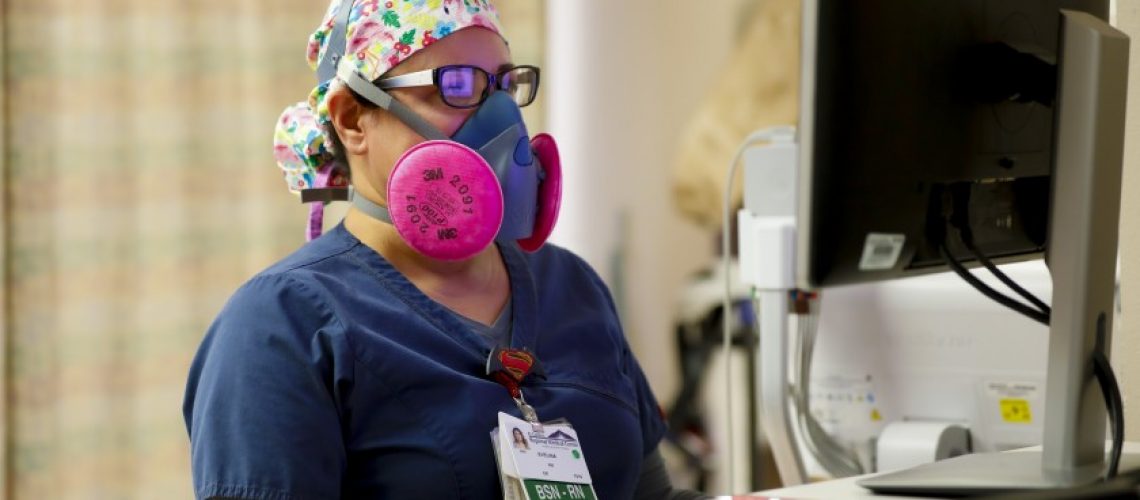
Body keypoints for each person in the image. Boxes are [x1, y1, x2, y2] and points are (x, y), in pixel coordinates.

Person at [183, 1, 707, 499]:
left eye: (505, 85)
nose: (501, 119)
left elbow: (649, 495)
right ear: (351, 118)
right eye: (455, 86)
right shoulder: (280, 328)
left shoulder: (570, 286)